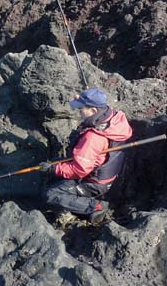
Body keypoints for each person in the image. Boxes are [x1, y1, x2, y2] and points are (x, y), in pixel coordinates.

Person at [40, 87, 133, 224]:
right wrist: (81, 98)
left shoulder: (93, 137)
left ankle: (96, 207)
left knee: (50, 195)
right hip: (107, 174)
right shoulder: (113, 118)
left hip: (94, 183)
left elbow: (80, 170)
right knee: (54, 165)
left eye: (81, 108)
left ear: (94, 111)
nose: (79, 111)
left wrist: (54, 169)